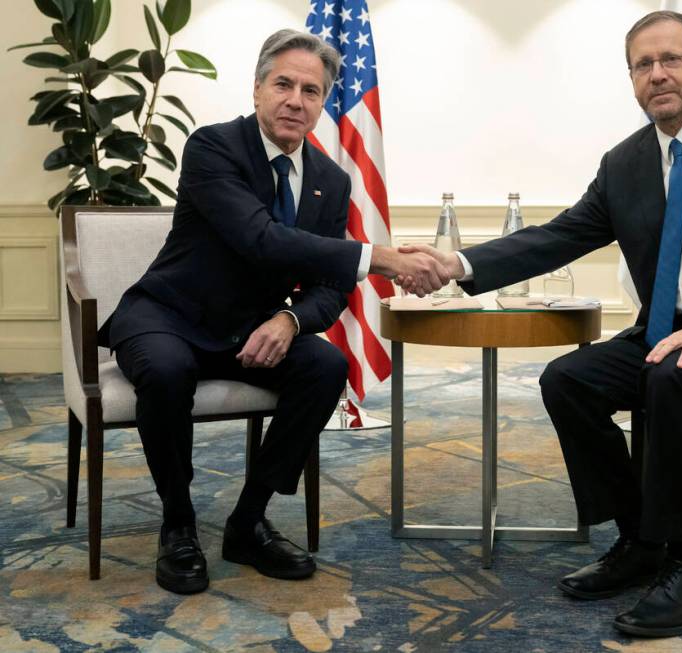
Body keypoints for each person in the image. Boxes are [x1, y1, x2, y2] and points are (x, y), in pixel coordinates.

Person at [399, 11, 682, 638]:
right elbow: (560, 235)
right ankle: (639, 539)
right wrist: (459, 262)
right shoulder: (626, 162)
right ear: (632, 81)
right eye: (643, 65)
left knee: (675, 377)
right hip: (668, 330)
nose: (657, 74)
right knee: (569, 379)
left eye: (670, 59)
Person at [99, 29, 449, 595]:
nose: (295, 100)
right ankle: (179, 523)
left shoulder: (332, 181)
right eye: (283, 84)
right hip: (169, 314)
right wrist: (379, 256)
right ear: (258, 89)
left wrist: (290, 320)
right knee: (165, 373)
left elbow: (330, 286)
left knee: (325, 366)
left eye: (311, 91)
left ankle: (247, 521)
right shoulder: (213, 147)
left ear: (322, 103)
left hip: (250, 326)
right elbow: (260, 239)